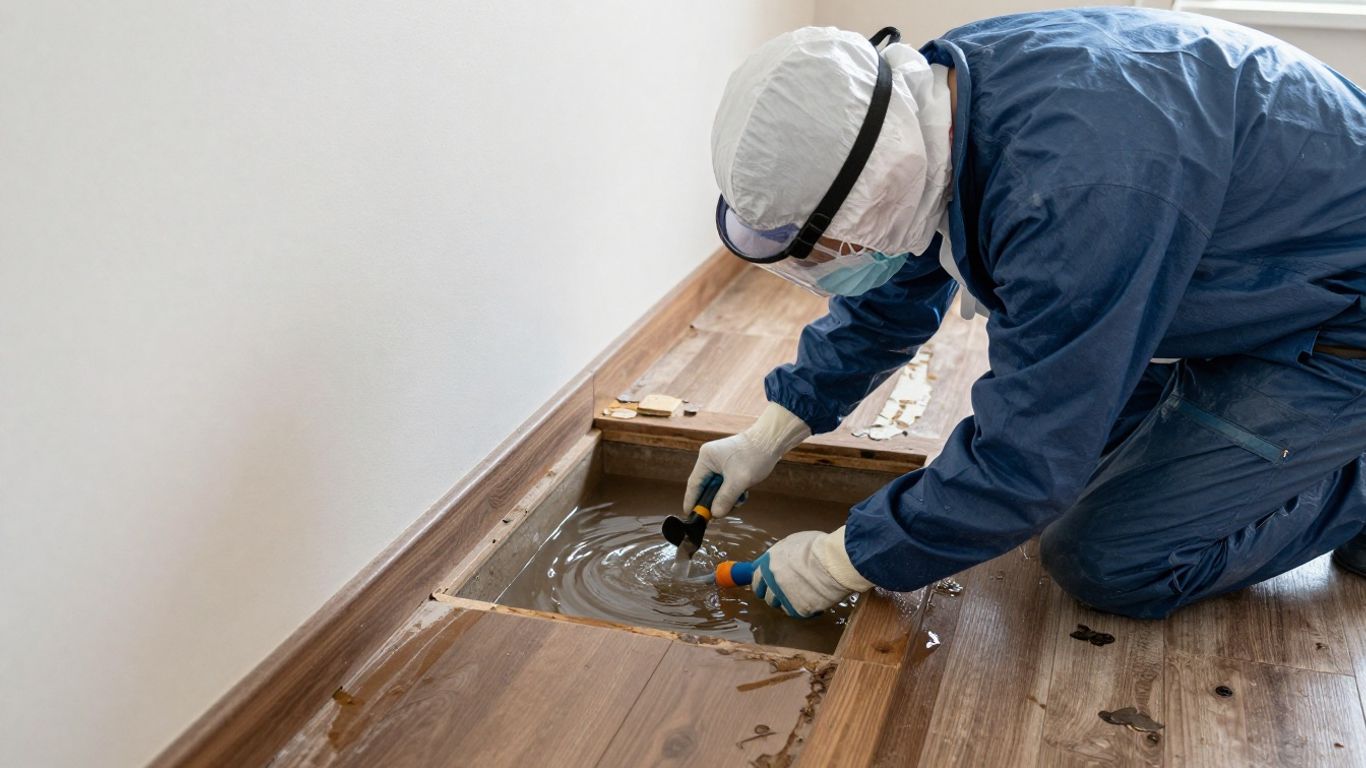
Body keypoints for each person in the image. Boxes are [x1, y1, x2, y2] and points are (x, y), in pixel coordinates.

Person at [688, 8, 1366, 620]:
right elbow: (898, 282)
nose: (832, 262)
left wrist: (843, 561)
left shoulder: (1071, 200)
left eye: (825, 243)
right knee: (1076, 464)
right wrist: (772, 430)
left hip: (1342, 323)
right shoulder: (940, 94)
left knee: (1101, 556)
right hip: (1266, 264)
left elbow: (1025, 465)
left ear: (872, 192)